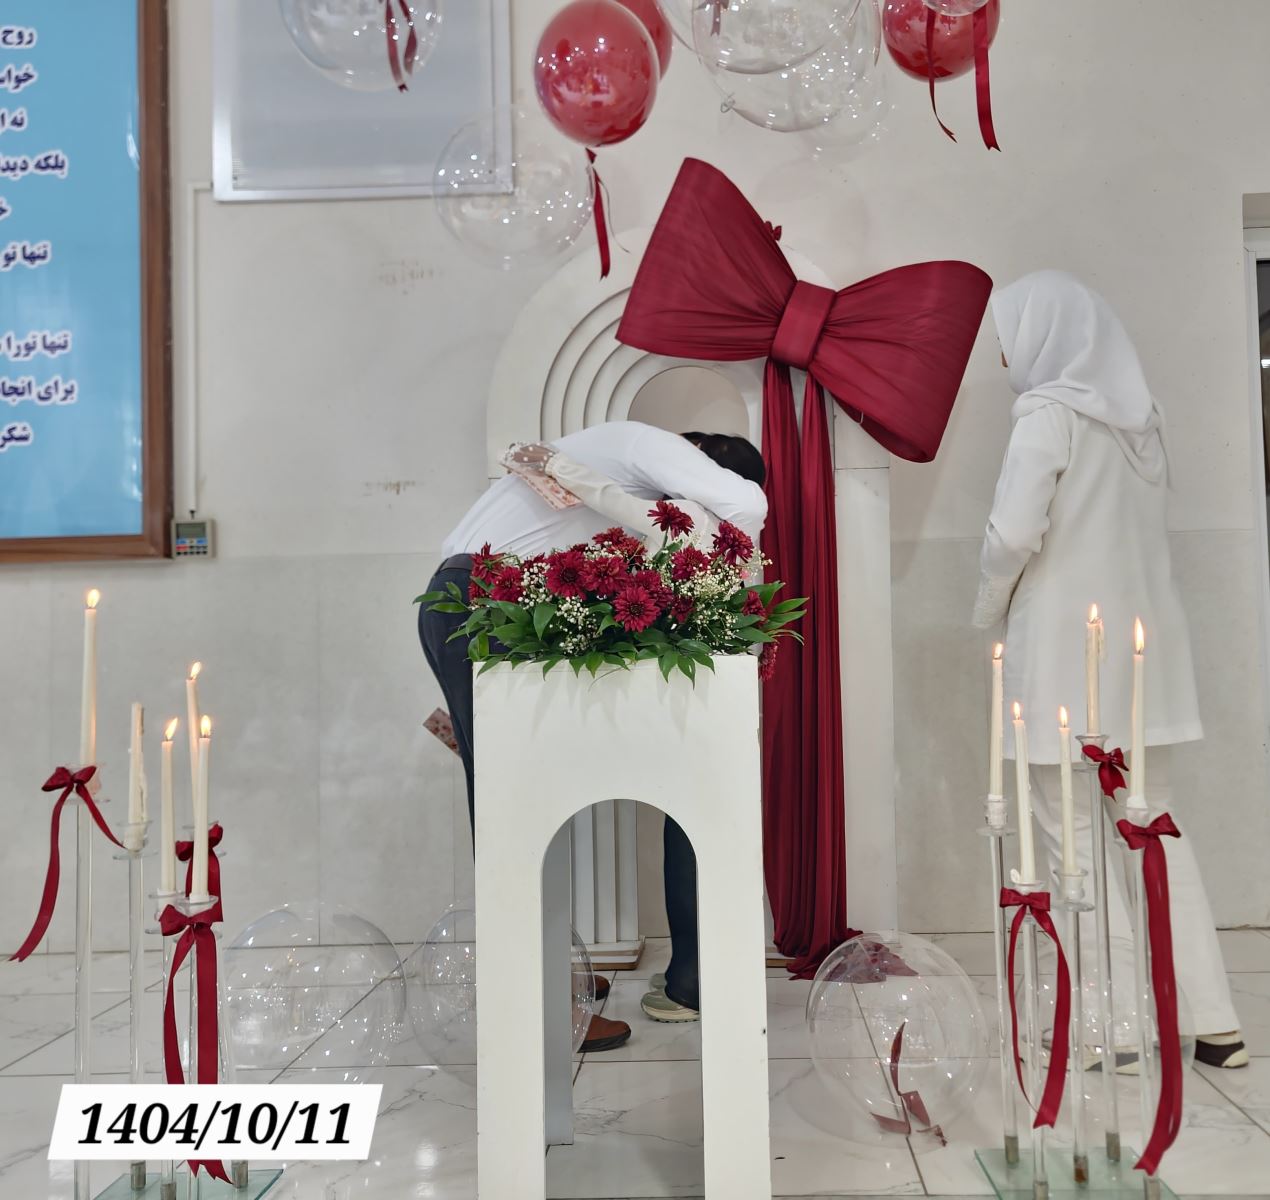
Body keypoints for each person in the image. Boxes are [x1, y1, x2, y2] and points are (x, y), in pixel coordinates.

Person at [419, 420, 769, 1046]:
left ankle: (559, 975)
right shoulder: (652, 445)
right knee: (514, 812)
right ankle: (546, 1010)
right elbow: (747, 506)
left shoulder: (608, 475)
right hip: (487, 603)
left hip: (473, 596)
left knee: (521, 801)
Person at [973, 270, 1246, 1069]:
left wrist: (987, 606)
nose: (1002, 357)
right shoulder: (1142, 418)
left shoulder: (1047, 414)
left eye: (1007, 339)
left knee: (1071, 840)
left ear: (1044, 335)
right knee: (1154, 832)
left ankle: (1112, 1026)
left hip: (1063, 652)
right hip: (1141, 653)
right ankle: (1214, 1022)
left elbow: (1012, 533)